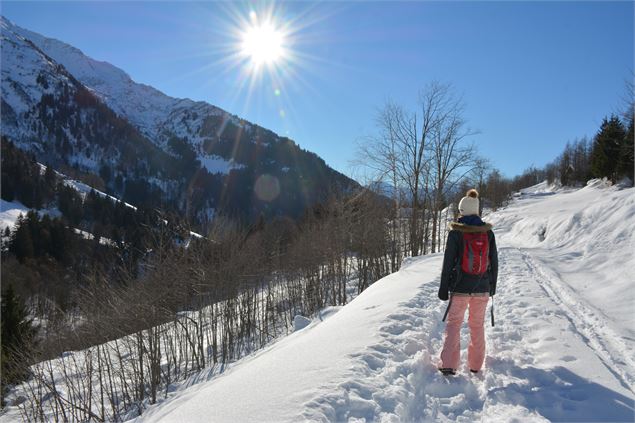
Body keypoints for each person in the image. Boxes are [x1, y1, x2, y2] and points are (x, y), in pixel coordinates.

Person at [437, 189, 498, 376]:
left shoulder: (456, 233)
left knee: (454, 323)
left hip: (460, 287)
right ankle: (476, 365)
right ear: (477, 211)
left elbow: (448, 263)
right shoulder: (488, 233)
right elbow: (494, 262)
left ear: (462, 210)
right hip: (482, 287)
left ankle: (448, 364)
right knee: (477, 325)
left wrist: (444, 288)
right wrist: (492, 287)